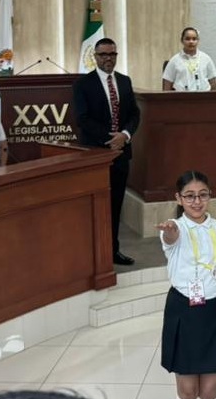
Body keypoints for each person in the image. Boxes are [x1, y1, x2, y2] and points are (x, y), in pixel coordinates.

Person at [156, 170, 216, 399]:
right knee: (187, 392)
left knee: (209, 391)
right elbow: (170, 237)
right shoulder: (175, 227)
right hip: (184, 311)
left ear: (209, 196)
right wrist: (170, 231)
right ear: (179, 198)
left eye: (203, 195)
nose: (197, 202)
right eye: (189, 196)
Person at [73, 38, 140, 266]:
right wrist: (111, 139)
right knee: (96, 207)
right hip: (96, 155)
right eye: (103, 55)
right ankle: (93, 254)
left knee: (116, 205)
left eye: (112, 54)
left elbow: (134, 114)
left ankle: (112, 251)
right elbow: (82, 119)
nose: (108, 58)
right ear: (95, 57)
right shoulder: (83, 84)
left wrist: (125, 135)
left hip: (121, 154)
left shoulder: (124, 81)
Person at [163, 27, 216, 91]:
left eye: (194, 39)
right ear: (182, 40)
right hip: (181, 96)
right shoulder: (174, 61)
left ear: (198, 41)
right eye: (187, 39)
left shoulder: (206, 59)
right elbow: (167, 85)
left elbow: (213, 83)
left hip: (204, 96)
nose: (191, 42)